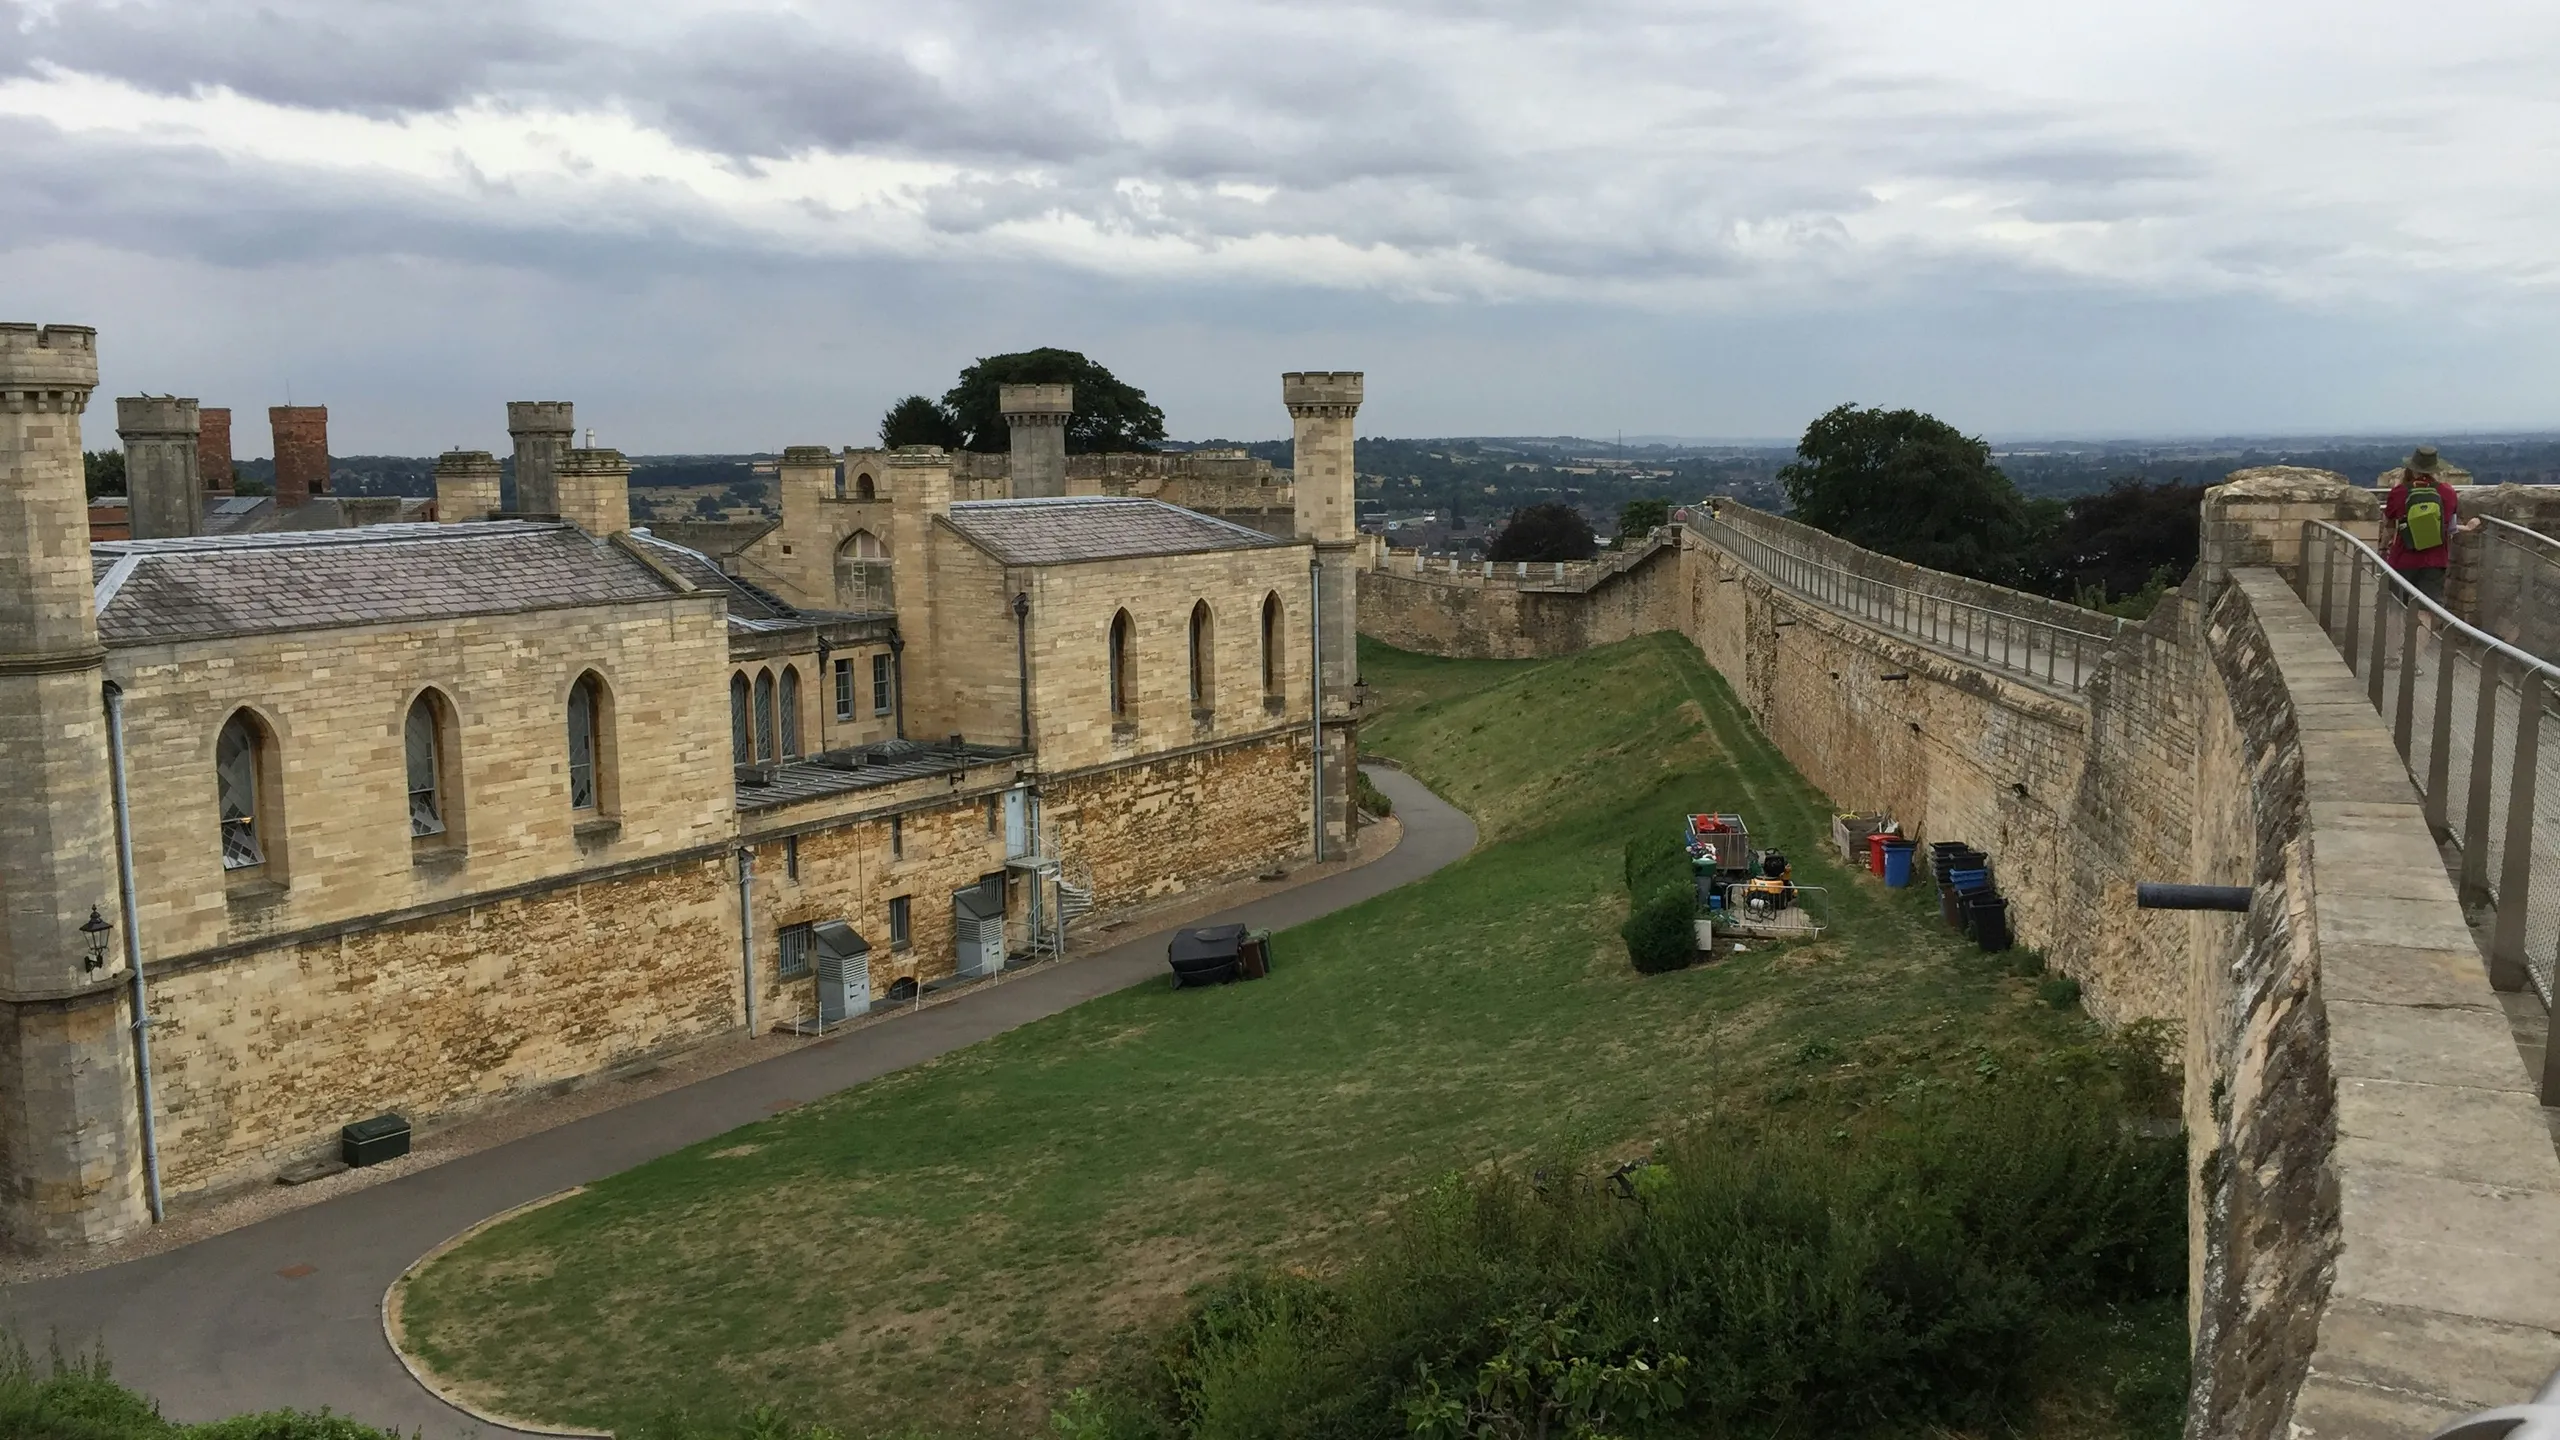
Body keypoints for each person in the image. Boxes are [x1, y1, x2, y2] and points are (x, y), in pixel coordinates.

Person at [2380, 445, 2481, 605]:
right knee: (2428, 608)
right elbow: (2450, 527)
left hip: (2403, 558)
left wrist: (2383, 548)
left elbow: (2390, 526)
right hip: (2435, 560)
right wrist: (2467, 528)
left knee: (2397, 606)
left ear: (2412, 468)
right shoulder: (2448, 492)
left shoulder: (2399, 492)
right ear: (2435, 470)